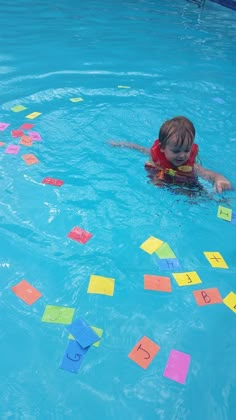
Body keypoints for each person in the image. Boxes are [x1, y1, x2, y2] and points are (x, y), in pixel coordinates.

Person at [109, 116, 232, 194]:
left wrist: (219, 178)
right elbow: (140, 149)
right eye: (176, 151)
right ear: (162, 148)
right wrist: (122, 144)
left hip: (186, 178)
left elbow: (207, 173)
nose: (182, 155)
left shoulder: (190, 163)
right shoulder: (156, 156)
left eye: (186, 150)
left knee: (198, 192)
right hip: (165, 175)